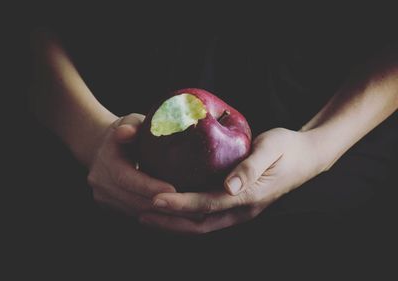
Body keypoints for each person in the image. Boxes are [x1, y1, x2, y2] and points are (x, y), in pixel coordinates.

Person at [28, 12, 398, 237]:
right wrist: (89, 134)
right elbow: (19, 25)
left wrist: (320, 146)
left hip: (336, 140)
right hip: (99, 151)